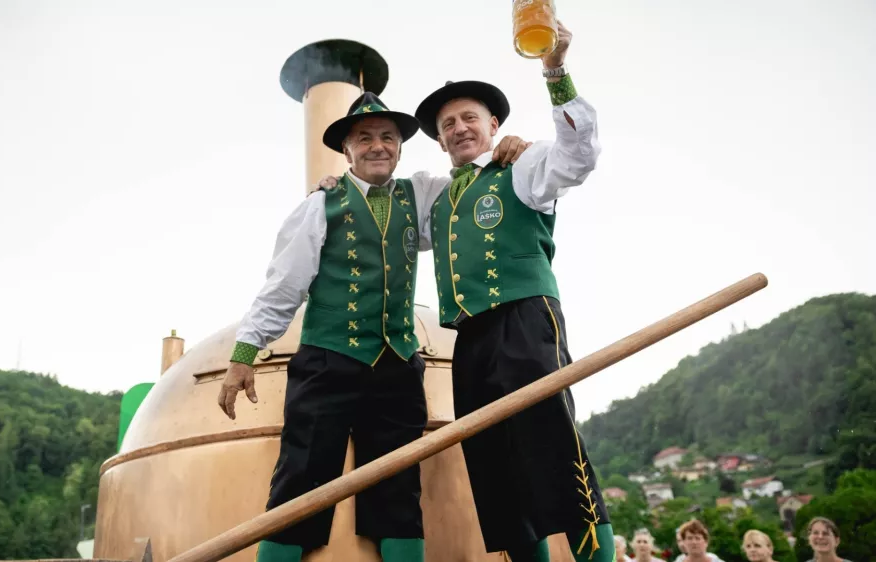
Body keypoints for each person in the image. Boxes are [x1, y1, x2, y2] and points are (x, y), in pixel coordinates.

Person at [218, 91, 530, 562]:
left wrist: (510, 152)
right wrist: (244, 356)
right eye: (364, 138)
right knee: (299, 481)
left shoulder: (424, 195)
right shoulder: (316, 208)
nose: (377, 146)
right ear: (346, 150)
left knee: (399, 489)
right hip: (328, 362)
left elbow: (475, 186)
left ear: (401, 147)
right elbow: (283, 286)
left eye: (387, 137)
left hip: (398, 365)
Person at [410, 19, 611, 562]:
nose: (457, 128)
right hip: (468, 341)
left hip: (525, 319)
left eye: (469, 117)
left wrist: (555, 70)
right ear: (439, 138)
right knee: (493, 468)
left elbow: (579, 155)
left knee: (551, 447)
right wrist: (336, 185)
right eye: (447, 124)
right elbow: (378, 193)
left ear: (493, 124)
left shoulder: (522, 165)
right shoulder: (435, 197)